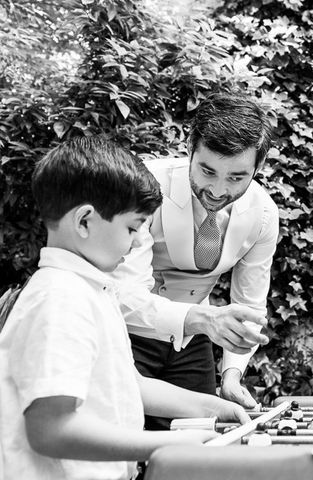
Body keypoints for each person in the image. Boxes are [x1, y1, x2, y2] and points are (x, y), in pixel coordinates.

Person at [0, 137, 250, 480]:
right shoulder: (60, 299)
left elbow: (131, 385)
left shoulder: (91, 290)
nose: (136, 243)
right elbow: (50, 430)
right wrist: (161, 445)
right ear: (85, 221)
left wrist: (214, 407)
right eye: (132, 228)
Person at [113, 92, 279, 429]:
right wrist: (202, 319)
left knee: (200, 443)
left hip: (193, 341)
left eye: (236, 177)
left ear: (257, 168)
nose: (217, 190)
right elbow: (123, 292)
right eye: (207, 171)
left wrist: (232, 374)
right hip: (126, 332)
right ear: (190, 149)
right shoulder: (146, 185)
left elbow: (249, 303)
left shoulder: (263, 213)